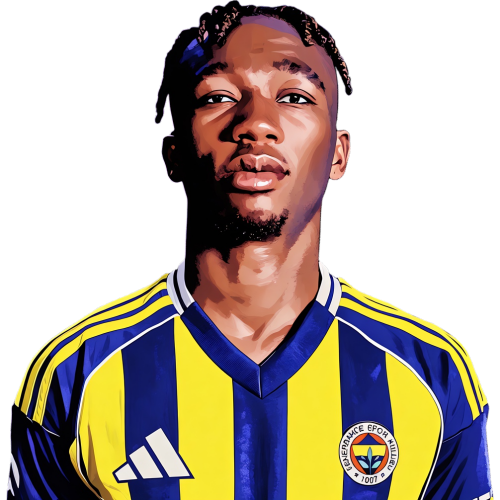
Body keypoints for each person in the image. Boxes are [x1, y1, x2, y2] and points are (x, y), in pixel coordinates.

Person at [6, 1, 493, 499]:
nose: (256, 123)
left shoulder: (433, 372)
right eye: (218, 96)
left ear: (339, 153)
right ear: (173, 155)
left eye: (295, 97)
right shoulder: (76, 371)